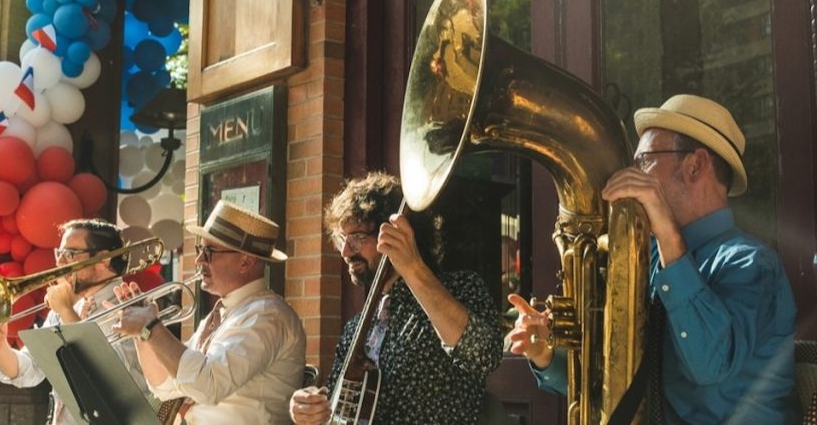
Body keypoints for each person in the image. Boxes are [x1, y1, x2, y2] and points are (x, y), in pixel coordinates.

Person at [507, 94, 799, 424]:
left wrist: (668, 235)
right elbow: (614, 383)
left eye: (643, 161)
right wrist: (545, 352)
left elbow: (710, 365)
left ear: (695, 166)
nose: (633, 172)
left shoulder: (753, 265)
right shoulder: (650, 258)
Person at [289, 171, 502, 425]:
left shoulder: (461, 288)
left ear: (401, 235)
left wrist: (413, 267)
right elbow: (338, 413)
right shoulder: (356, 328)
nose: (345, 251)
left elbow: (486, 355)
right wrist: (310, 410)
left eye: (358, 236)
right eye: (341, 239)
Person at [112, 200, 306, 424]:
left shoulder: (267, 315)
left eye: (209, 252)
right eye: (200, 249)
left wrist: (151, 327)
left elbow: (208, 386)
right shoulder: (221, 315)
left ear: (246, 262)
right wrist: (141, 335)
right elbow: (165, 387)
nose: (198, 260)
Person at [0, 218, 153, 425]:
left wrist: (66, 311)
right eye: (59, 254)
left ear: (104, 259)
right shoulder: (69, 306)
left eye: (69, 254)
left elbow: (106, 383)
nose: (59, 263)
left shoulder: (132, 308)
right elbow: (29, 370)